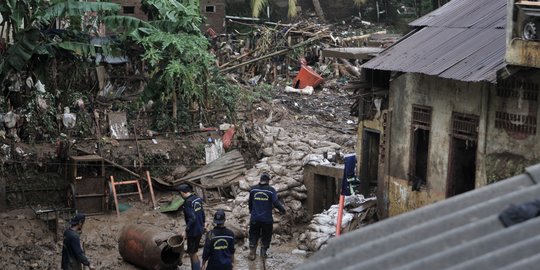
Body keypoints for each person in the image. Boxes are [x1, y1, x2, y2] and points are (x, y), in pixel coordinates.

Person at [248, 172, 286, 260]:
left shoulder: (253, 190)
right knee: (266, 235)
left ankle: (252, 253)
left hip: (255, 218)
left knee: (253, 234)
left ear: (260, 180)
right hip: (266, 219)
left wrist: (251, 212)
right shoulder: (270, 190)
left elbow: (250, 203)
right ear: (268, 181)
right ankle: (263, 253)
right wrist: (283, 210)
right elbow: (276, 202)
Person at [179, 183, 206, 270]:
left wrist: (186, 230)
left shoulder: (187, 202)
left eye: (180, 193)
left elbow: (192, 218)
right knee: (193, 251)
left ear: (182, 193)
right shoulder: (197, 199)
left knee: (192, 253)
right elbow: (202, 213)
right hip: (200, 229)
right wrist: (204, 223)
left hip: (193, 232)